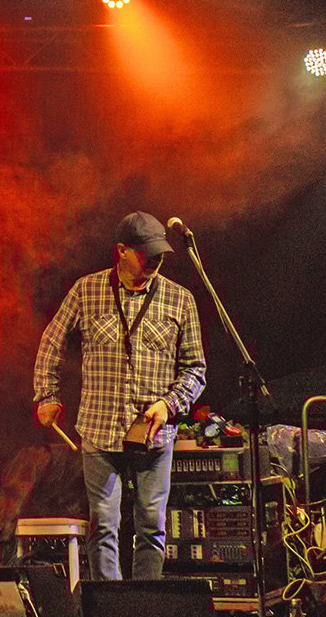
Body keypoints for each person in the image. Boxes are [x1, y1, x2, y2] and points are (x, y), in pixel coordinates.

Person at [33, 212, 206, 581]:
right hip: (99, 428)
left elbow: (196, 368)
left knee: (151, 526)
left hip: (155, 434)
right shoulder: (86, 290)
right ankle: (109, 614)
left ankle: (145, 608)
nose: (157, 260)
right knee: (104, 526)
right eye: (148, 253)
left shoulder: (180, 300)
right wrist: (46, 395)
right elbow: (51, 342)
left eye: (160, 253)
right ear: (122, 251)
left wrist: (169, 403)